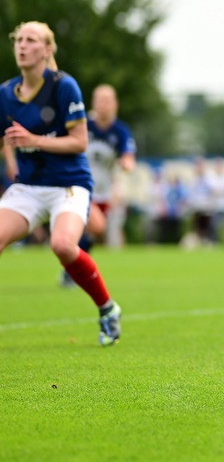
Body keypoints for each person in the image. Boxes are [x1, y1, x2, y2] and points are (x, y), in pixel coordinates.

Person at [0, 21, 122, 345]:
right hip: (28, 187)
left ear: (47, 50)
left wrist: (34, 140)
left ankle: (107, 309)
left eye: (31, 40)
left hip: (68, 185)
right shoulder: (5, 93)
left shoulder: (64, 86)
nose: (22, 45)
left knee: (63, 245)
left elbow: (80, 142)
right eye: (19, 40)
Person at [58, 83, 136, 287]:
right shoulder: (83, 125)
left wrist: (127, 163)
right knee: (95, 227)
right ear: (93, 103)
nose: (104, 105)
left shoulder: (120, 130)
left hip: (104, 192)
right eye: (100, 100)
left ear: (115, 104)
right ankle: (72, 271)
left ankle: (71, 271)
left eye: (108, 100)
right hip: (80, 186)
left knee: (94, 233)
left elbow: (128, 156)